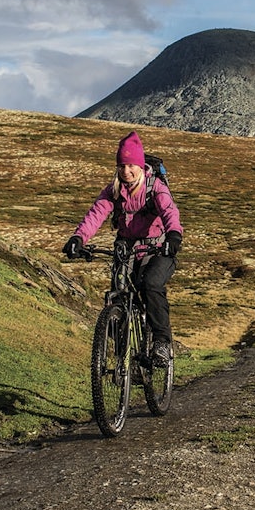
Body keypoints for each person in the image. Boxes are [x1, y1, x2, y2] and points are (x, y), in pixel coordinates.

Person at [62, 131, 184, 364]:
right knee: (118, 296)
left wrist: (174, 236)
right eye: (121, 166)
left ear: (139, 165)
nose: (125, 171)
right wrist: (79, 238)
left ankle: (161, 343)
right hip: (125, 249)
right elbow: (95, 215)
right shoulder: (113, 190)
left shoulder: (154, 187)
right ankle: (124, 359)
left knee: (151, 285)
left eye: (130, 165)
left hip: (157, 248)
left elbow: (170, 212)